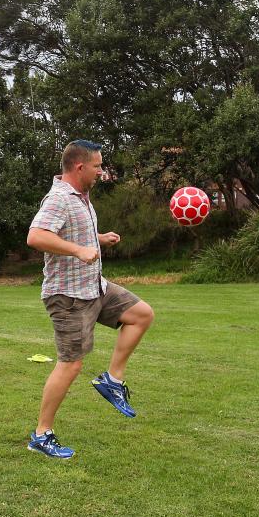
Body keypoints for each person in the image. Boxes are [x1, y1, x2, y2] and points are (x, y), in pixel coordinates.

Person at [25, 140, 155, 459]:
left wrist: (97, 238)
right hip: (68, 296)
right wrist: (80, 250)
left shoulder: (82, 198)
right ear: (80, 167)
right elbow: (36, 236)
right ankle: (41, 435)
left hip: (94, 287)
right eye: (97, 166)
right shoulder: (59, 198)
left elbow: (69, 233)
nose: (101, 171)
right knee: (71, 365)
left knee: (141, 314)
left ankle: (112, 380)